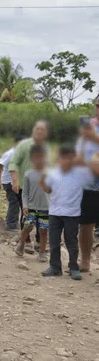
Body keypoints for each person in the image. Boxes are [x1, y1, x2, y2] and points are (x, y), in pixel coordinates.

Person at [40, 145, 99, 280]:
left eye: (69, 158)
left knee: (71, 241)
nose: (65, 161)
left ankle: (73, 267)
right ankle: (55, 267)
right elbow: (47, 189)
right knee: (54, 241)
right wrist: (42, 179)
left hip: (72, 213)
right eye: (62, 158)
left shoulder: (80, 175)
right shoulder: (53, 173)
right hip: (54, 212)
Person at [9, 121, 51, 253]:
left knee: (42, 217)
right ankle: (26, 241)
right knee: (26, 214)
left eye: (42, 130)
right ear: (33, 130)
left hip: (42, 190)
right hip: (24, 186)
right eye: (37, 129)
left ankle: (39, 242)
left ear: (46, 133)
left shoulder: (47, 148)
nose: (39, 132)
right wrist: (15, 180)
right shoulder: (24, 145)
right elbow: (14, 162)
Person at [14, 145, 49, 262]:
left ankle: (42, 252)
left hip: (46, 207)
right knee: (28, 226)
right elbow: (25, 192)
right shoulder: (28, 174)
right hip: (31, 206)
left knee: (43, 230)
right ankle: (21, 243)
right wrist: (25, 205)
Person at [76, 100, 99, 272]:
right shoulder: (87, 127)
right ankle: (85, 260)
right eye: (98, 105)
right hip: (88, 185)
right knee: (86, 225)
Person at [0, 135, 23, 232]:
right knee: (14, 202)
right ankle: (11, 226)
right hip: (8, 182)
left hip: (18, 182)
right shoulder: (10, 153)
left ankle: (12, 222)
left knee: (20, 203)